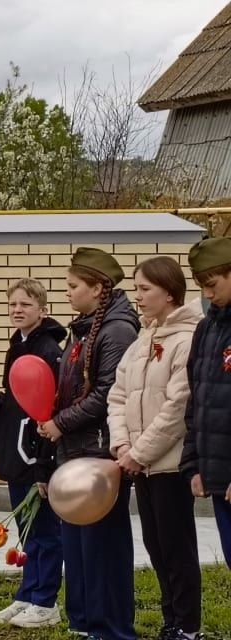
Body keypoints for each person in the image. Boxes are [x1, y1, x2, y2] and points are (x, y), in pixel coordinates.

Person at [37, 247, 139, 640]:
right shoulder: (82, 329)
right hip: (73, 451)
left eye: (73, 286)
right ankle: (82, 620)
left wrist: (60, 423)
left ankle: (110, 626)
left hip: (97, 453)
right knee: (78, 546)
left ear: (98, 288)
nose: (67, 293)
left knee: (103, 548)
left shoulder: (117, 331)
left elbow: (108, 393)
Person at [107, 256, 202, 640]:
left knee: (177, 547)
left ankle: (188, 625)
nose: (138, 296)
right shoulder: (143, 338)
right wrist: (121, 443)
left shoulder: (188, 338)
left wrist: (139, 452)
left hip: (169, 464)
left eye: (145, 288)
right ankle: (170, 621)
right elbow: (118, 394)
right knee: (156, 545)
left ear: (169, 291)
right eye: (137, 287)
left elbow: (178, 407)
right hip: (139, 463)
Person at [0, 278, 65, 628]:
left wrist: (44, 462)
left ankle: (46, 603)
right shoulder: (18, 344)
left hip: (36, 457)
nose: (17, 310)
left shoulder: (48, 349)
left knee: (46, 532)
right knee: (28, 533)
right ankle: (27, 594)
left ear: (42, 310)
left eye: (25, 305)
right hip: (14, 453)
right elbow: (19, 402)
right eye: (13, 304)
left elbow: (49, 408)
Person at [182, 236, 231, 566]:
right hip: (217, 471)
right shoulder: (207, 329)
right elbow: (196, 400)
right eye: (203, 287)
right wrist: (193, 464)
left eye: (212, 284)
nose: (208, 294)